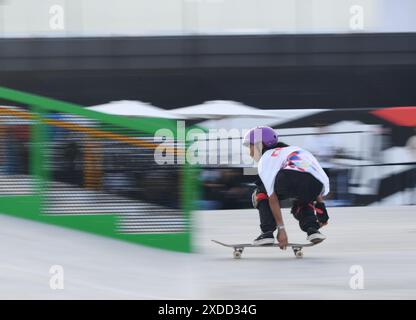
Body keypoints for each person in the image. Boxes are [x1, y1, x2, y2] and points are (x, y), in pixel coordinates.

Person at [243, 126, 330, 249]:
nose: (250, 152)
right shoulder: (297, 150)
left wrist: (281, 230)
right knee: (303, 198)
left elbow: (272, 197)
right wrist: (321, 209)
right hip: (316, 184)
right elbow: (312, 175)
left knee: (260, 193)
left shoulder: (267, 158)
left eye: (250, 147)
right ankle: (313, 230)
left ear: (260, 144)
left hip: (288, 179)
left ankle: (267, 233)